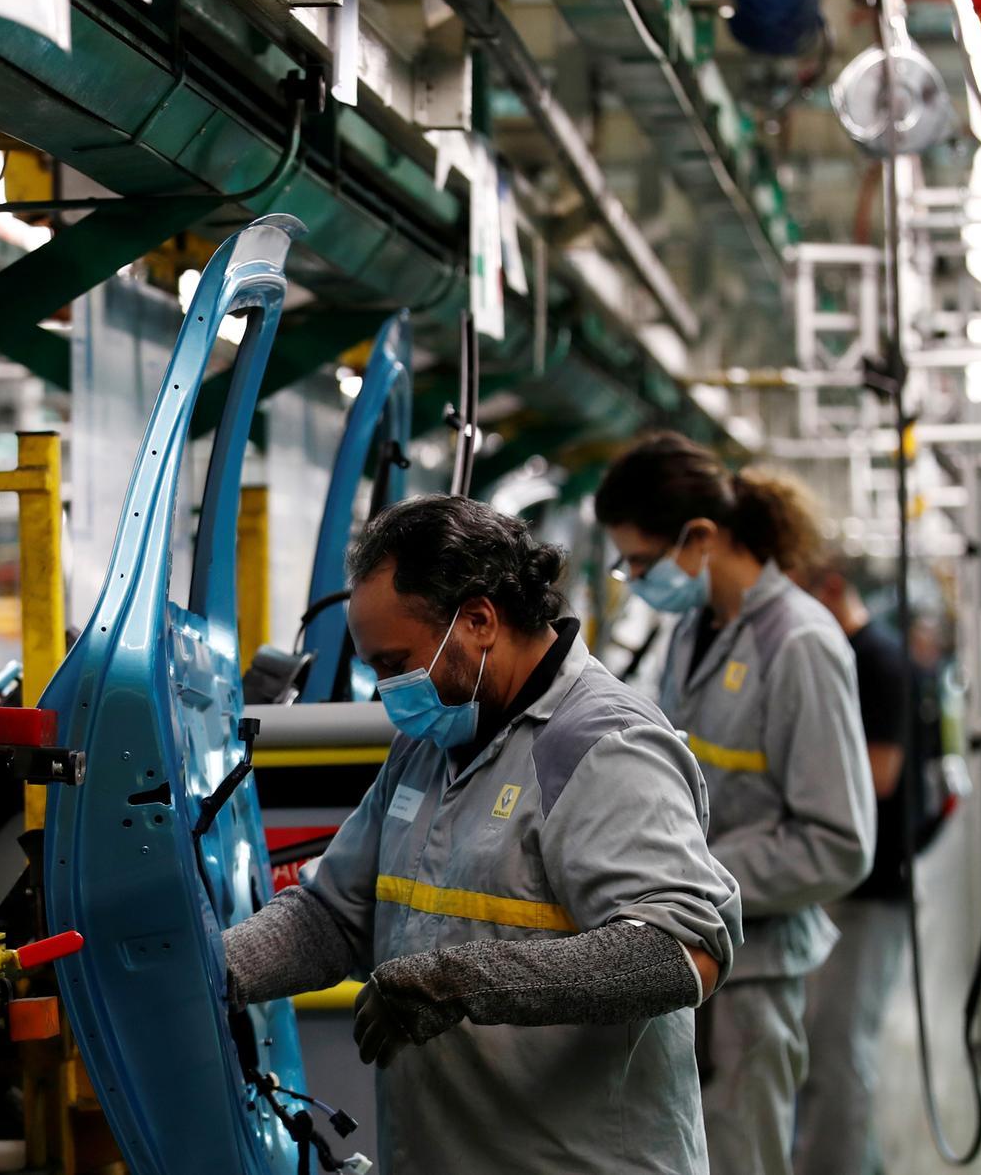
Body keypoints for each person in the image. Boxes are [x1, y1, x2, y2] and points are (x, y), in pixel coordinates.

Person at [221, 495, 741, 1173]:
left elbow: (681, 952)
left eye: (394, 661)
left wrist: (461, 981)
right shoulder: (431, 742)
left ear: (478, 620)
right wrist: (207, 969)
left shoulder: (602, 746)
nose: (387, 689)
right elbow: (333, 917)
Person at [594, 433, 875, 1175]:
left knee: (744, 1156)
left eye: (643, 563)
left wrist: (695, 877)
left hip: (754, 976)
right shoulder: (693, 629)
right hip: (689, 955)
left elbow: (838, 842)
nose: (636, 579)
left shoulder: (801, 645)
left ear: (703, 538)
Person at [791, 554, 946, 1175]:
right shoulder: (850, 657)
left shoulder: (878, 662)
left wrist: (791, 773)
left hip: (872, 886)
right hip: (841, 885)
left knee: (839, 1049)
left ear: (832, 587)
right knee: (825, 1047)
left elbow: (880, 775)